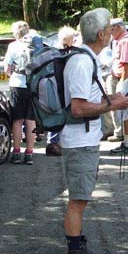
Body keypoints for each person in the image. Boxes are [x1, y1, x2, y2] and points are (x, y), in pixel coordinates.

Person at [61, 8, 128, 254]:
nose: (111, 34)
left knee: (80, 199)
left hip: (83, 139)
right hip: (79, 140)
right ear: (102, 34)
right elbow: (79, 108)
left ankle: (78, 248)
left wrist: (113, 99)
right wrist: (114, 102)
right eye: (108, 30)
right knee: (78, 201)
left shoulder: (85, 58)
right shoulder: (81, 62)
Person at [108, 18, 128, 155]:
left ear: (119, 27)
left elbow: (126, 66)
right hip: (125, 79)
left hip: (124, 80)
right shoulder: (123, 40)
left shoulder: (126, 41)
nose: (110, 32)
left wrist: (123, 84)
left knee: (127, 112)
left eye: (111, 29)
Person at [5, 21, 36, 165]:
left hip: (17, 84)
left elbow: (7, 68)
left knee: (17, 120)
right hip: (32, 85)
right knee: (30, 121)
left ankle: (16, 152)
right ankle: (29, 153)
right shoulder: (35, 44)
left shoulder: (13, 46)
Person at [46, 26, 78, 157]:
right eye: (72, 40)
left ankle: (53, 142)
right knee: (59, 113)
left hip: (54, 89)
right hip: (58, 89)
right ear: (66, 40)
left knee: (56, 113)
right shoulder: (60, 53)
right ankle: (54, 143)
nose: (74, 42)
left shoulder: (52, 51)